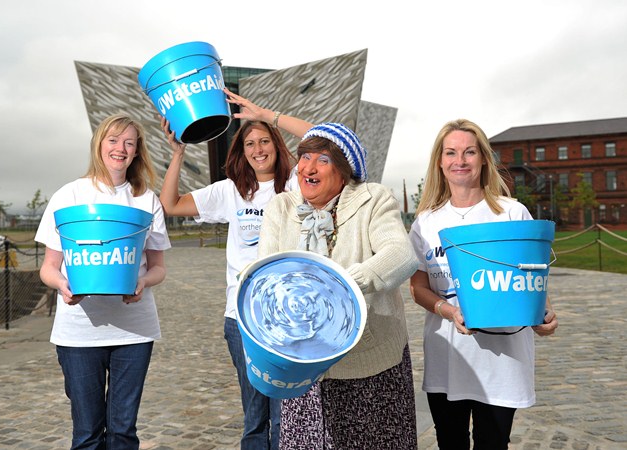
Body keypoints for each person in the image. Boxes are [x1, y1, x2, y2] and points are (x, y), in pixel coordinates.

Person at [158, 88, 311, 450]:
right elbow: (170, 204)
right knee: (255, 414)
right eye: (249, 145)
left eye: (264, 141)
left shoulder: (295, 186)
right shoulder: (231, 191)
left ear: (276, 144)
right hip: (241, 318)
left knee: (287, 415)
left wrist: (268, 114)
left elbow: (323, 136)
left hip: (289, 316)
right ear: (241, 153)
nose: (258, 150)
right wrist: (178, 152)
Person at [257, 122, 420, 449]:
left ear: (344, 170)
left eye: (323, 159)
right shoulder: (282, 207)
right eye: (304, 157)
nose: (308, 167)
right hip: (303, 365)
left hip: (369, 361)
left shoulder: (373, 199)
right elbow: (266, 273)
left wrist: (341, 286)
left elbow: (401, 255)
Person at [408, 119, 559, 450]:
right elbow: (417, 287)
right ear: (439, 161)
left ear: (483, 159)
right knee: (451, 443)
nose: (460, 160)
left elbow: (530, 281)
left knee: (493, 444)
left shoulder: (512, 213)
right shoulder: (426, 221)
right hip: (448, 359)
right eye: (451, 152)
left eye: (469, 152)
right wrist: (448, 311)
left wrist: (543, 316)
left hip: (502, 362)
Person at [35, 114, 171, 449]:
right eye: (113, 140)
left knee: (124, 432)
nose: (120, 148)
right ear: (99, 144)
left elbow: (158, 267)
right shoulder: (69, 196)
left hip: (134, 330)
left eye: (129, 142)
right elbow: (49, 268)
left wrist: (141, 283)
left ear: (137, 151)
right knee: (87, 434)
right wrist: (63, 286)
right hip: (79, 331)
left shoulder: (146, 200)